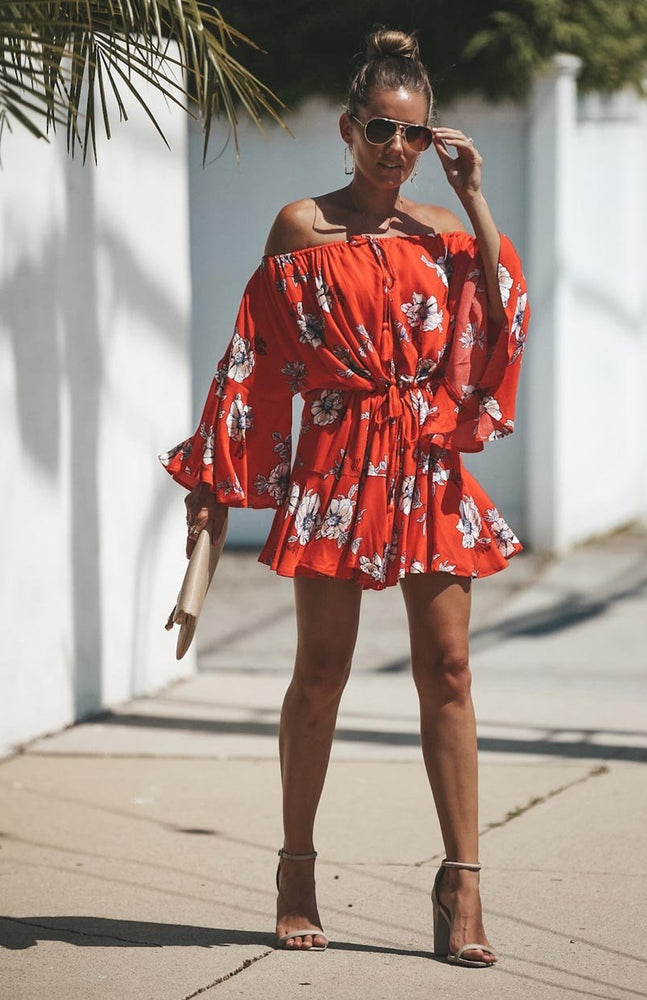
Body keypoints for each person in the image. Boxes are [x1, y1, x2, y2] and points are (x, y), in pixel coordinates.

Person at [160, 28, 529, 968]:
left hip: (426, 464)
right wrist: (214, 492)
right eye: (379, 130)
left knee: (448, 670)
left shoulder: (444, 234)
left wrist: (476, 198)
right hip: (336, 469)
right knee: (320, 675)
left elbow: (503, 309)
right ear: (347, 128)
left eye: (413, 135)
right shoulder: (301, 228)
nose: (396, 151)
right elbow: (256, 364)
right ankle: (295, 871)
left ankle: (463, 886)